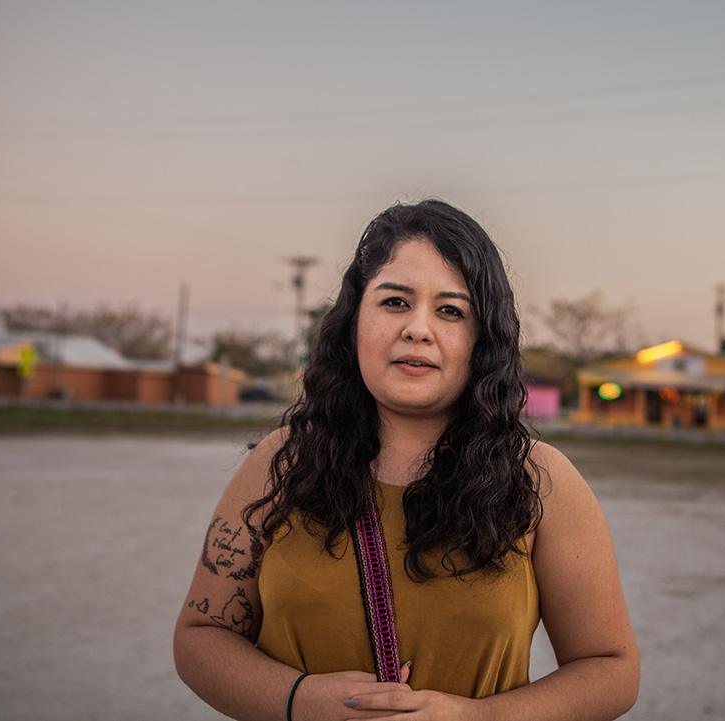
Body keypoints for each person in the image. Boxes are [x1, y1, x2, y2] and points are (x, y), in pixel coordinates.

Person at [173, 199, 640, 721]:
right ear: (354, 321)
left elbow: (611, 668)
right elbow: (201, 636)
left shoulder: (539, 480)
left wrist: (479, 719)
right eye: (395, 302)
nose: (419, 329)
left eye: (450, 310)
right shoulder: (280, 463)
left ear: (482, 340)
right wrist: (299, 702)